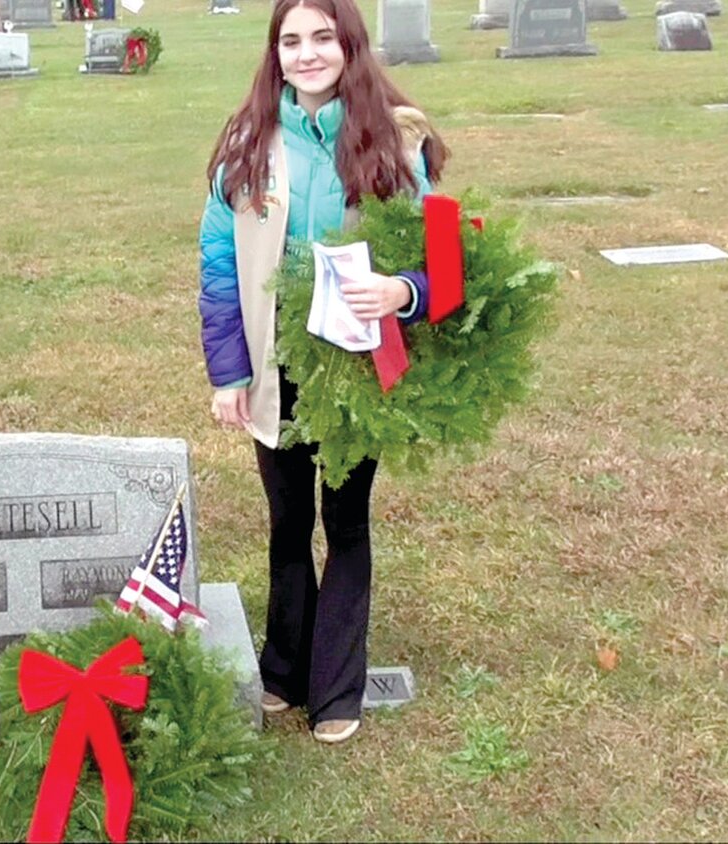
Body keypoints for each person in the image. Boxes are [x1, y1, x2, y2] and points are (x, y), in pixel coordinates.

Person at [197, 0, 447, 745]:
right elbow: (217, 266)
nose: (307, 54)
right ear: (276, 52)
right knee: (286, 520)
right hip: (275, 366)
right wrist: (228, 372)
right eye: (291, 40)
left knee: (343, 520)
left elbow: (440, 256)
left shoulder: (396, 141)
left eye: (321, 38)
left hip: (353, 371)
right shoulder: (248, 144)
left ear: (349, 44)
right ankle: (284, 665)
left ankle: (336, 687)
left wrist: (403, 292)